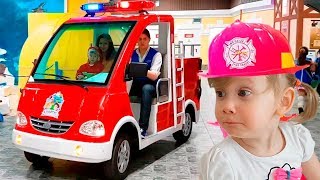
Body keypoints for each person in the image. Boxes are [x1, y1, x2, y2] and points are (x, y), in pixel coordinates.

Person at [199, 21, 320, 179]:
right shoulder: (223, 161)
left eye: (243, 92)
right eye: (220, 93)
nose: (227, 106)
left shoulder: (298, 138)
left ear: (283, 101)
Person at [130, 29, 162, 138]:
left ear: (149, 40)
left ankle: (142, 128)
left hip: (150, 85)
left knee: (146, 89)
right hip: (135, 84)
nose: (142, 41)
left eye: (145, 39)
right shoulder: (132, 53)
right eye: (139, 39)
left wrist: (139, 70)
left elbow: (153, 75)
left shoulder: (156, 55)